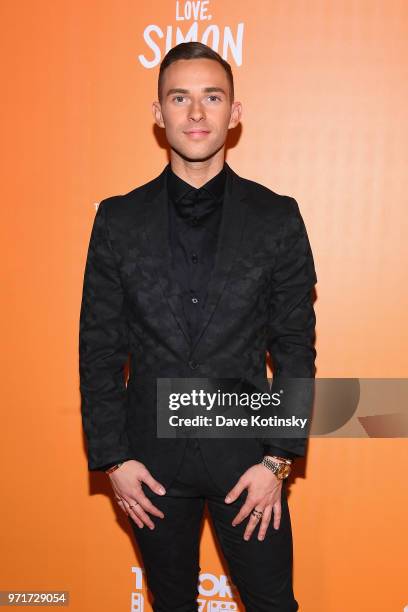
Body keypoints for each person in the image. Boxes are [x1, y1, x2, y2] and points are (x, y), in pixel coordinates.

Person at [79, 41, 317, 611]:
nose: (195, 113)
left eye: (211, 98)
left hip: (247, 464)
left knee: (273, 604)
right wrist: (116, 458)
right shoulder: (118, 219)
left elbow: (294, 347)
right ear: (158, 114)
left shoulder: (276, 217)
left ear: (233, 114)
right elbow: (100, 348)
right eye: (179, 98)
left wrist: (277, 460)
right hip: (150, 469)